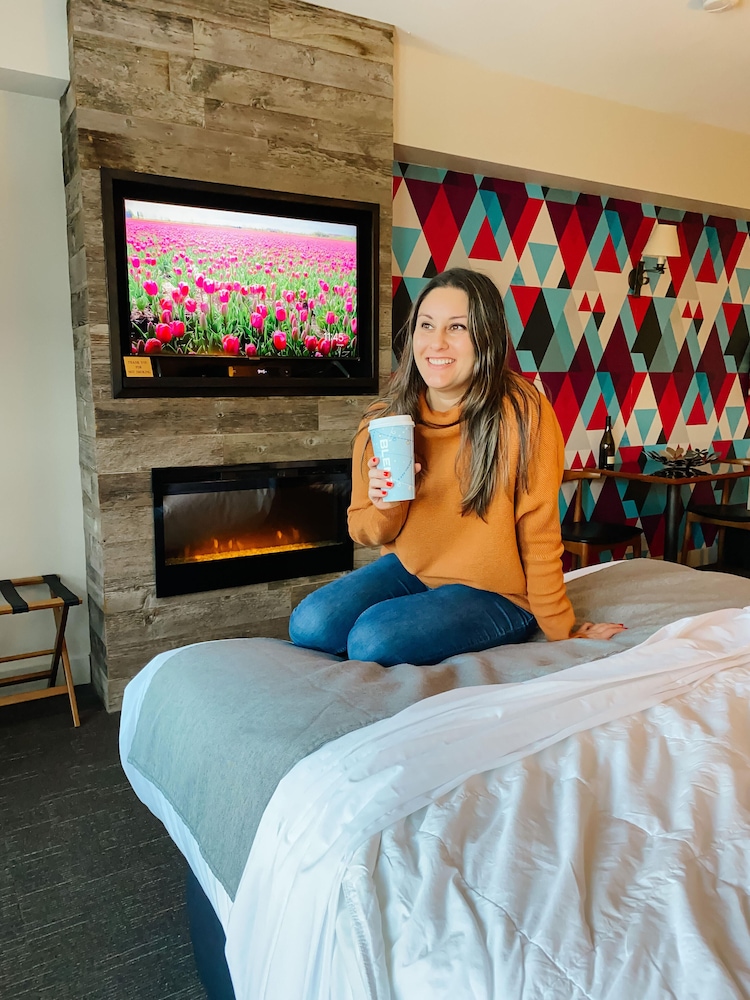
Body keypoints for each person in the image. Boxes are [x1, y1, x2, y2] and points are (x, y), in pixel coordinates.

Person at [289, 267, 625, 666]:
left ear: (486, 337)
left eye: (457, 327)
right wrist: (386, 505)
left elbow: (539, 534)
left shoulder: (522, 413)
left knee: (372, 639)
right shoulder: (387, 418)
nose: (437, 342)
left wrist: (560, 629)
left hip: (497, 590)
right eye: (427, 325)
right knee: (310, 624)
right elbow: (363, 530)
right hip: (414, 569)